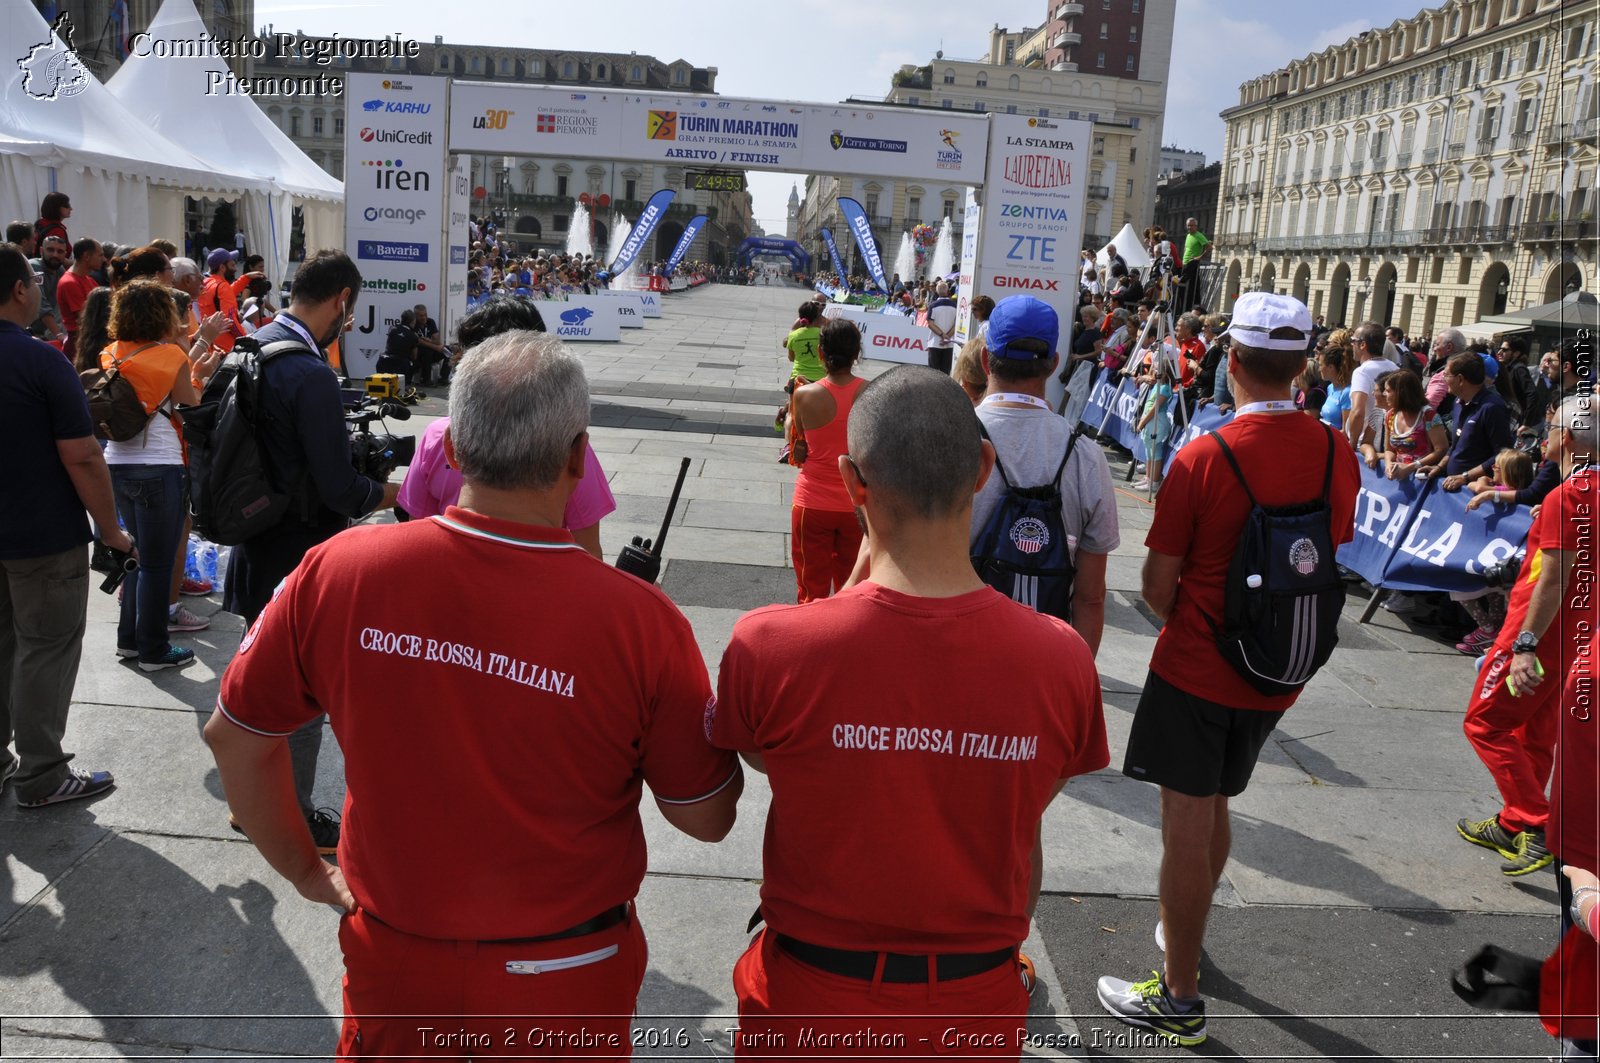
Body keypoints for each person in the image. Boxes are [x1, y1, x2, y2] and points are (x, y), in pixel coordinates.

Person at [206, 329, 741, 1061]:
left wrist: (304, 866)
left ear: (451, 449)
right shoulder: (640, 622)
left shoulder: (341, 569)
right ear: (577, 460)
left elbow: (235, 733)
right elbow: (706, 816)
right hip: (566, 973)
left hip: (395, 956)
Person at [713, 365, 1109, 1056]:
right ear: (984, 466)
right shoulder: (1063, 660)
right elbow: (1028, 809)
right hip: (973, 1006)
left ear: (851, 480)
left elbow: (758, 753)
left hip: (809, 1000)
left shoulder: (770, 644)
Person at [1097, 292, 1360, 1047]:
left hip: (1199, 662)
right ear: (1303, 364)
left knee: (1185, 819)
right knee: (1213, 801)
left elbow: (1154, 586)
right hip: (1282, 668)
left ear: (1231, 362)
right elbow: (1329, 545)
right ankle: (1185, 929)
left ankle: (1179, 996)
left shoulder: (1206, 454)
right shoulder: (1337, 450)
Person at [221, 250, 400, 854]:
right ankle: (289, 815)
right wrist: (393, 491)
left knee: (257, 679)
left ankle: (248, 802)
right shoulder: (310, 372)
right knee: (302, 694)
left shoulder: (252, 344)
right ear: (342, 300)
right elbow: (338, 487)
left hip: (253, 539)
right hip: (298, 553)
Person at [0, 242, 132, 807]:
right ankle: (42, 774)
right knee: (46, 649)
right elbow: (82, 454)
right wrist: (111, 530)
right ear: (19, 290)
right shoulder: (39, 359)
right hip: (41, 534)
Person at [1456, 395, 1599, 877]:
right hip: (1576, 636)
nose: (1543, 435)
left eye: (1553, 426)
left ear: (1572, 439)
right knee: (1533, 732)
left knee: (1484, 723)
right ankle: (1516, 822)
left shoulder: (1569, 496)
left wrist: (1523, 645)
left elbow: (1554, 578)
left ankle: (1534, 824)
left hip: (1535, 630)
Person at [397, 295, 615, 558]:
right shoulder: (566, 442)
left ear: (452, 448)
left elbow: (417, 536)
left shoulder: (436, 436)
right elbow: (589, 551)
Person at [973, 295, 1118, 655]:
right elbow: (1090, 597)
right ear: (1053, 364)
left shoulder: (949, 437)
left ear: (984, 359)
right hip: (1045, 660)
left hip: (958, 657)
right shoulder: (1086, 455)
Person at [100, 281, 220, 671]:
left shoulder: (112, 352)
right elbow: (190, 402)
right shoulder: (170, 354)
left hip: (116, 461)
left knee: (135, 557)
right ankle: (154, 649)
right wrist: (202, 371)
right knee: (156, 563)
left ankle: (129, 641)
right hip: (159, 464)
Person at [789, 318, 866, 603]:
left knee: (810, 590)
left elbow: (799, 446)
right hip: (856, 504)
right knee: (854, 588)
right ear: (857, 353)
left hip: (812, 502)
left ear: (821, 353)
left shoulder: (804, 395)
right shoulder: (871, 392)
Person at [1430, 352, 1517, 489]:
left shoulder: (1492, 408)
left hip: (1474, 492)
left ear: (1460, 379)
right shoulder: (1458, 402)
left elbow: (1503, 453)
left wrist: (1465, 477)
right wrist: (1439, 467)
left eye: (1446, 375)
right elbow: (1455, 446)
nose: (1443, 379)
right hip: (1453, 486)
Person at [54, 238, 102, 364]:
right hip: (79, 345)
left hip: (88, 342)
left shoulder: (88, 279)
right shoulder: (70, 282)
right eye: (100, 255)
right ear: (86, 256)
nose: (103, 259)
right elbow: (84, 317)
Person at [1343, 322, 1389, 451]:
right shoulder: (1395, 367)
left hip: (1363, 444)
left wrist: (1351, 445)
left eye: (1353, 340)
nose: (1351, 344)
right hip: (1384, 441)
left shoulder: (1362, 372)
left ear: (1362, 345)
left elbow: (1357, 411)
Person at [1134, 359, 1175, 495]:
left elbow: (1154, 409)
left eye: (1157, 369)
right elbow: (1149, 379)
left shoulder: (1165, 387)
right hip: (1150, 421)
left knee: (1155, 451)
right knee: (1148, 450)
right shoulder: (1158, 383)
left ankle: (1154, 481)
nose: (1154, 371)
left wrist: (1142, 422)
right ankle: (1148, 477)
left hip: (1157, 422)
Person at [201, 249, 246, 354]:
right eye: (232, 264)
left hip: (210, 343)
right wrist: (245, 338)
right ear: (222, 267)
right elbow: (230, 320)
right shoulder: (222, 286)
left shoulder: (206, 282)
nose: (235, 267)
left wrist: (246, 278)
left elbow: (227, 294)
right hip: (227, 347)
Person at [1176, 218, 1211, 309]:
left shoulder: (1199, 235)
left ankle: (1187, 307)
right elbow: (1186, 249)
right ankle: (1183, 307)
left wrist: (1199, 257)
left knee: (1187, 287)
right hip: (1185, 263)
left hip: (1192, 264)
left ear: (1196, 226)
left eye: (1192, 225)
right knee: (1185, 288)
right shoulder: (1188, 236)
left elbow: (1209, 247)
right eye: (1188, 225)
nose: (1189, 227)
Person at [925, 279, 957, 374]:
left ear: (937, 291)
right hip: (949, 343)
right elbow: (956, 325)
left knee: (933, 373)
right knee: (945, 373)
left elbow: (930, 324)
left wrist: (942, 335)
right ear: (948, 291)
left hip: (935, 342)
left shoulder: (933, 305)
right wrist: (947, 337)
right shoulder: (955, 306)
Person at [412, 303, 449, 385]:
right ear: (415, 316)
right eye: (421, 316)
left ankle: (443, 378)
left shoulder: (430, 322)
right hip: (418, 353)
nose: (424, 317)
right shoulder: (413, 324)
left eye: (425, 314)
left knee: (448, 350)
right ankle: (426, 380)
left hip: (432, 350)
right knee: (427, 351)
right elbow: (418, 342)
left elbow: (437, 341)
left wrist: (430, 341)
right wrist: (435, 347)